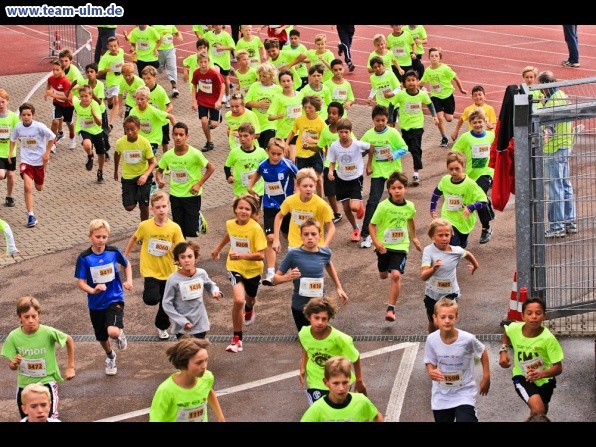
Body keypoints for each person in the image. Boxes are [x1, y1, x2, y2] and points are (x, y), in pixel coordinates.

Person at [1, 295, 75, 420]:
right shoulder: (13, 337)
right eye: (26, 317)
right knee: (28, 418)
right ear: (19, 317)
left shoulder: (47, 332)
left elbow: (68, 340)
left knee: (48, 418)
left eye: (34, 316)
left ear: (38, 315)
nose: (31, 320)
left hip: (47, 382)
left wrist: (70, 367)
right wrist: (14, 363)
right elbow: (12, 366)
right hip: (25, 385)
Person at [124, 190, 185, 340]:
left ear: (168, 207)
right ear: (152, 209)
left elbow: (181, 246)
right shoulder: (145, 226)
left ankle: (162, 326)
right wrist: (124, 256)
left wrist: (182, 261)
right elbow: (134, 238)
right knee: (151, 299)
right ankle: (157, 301)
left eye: (164, 206)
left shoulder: (174, 228)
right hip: (150, 270)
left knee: (167, 302)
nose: (161, 210)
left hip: (169, 270)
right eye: (157, 207)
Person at [75, 219, 133, 376]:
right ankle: (110, 356)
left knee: (113, 331)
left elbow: (126, 264)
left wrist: (128, 280)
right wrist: (93, 290)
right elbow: (81, 282)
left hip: (114, 298)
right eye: (98, 236)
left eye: (104, 237)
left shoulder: (113, 252)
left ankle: (119, 335)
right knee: (102, 337)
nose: (101, 240)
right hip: (96, 304)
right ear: (90, 236)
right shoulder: (84, 257)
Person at [211, 194, 267, 353]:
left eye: (247, 209)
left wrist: (242, 255)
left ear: (253, 211)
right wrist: (218, 248)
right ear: (235, 209)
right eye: (240, 208)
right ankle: (237, 339)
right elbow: (231, 235)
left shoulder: (256, 229)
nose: (243, 211)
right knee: (238, 300)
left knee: (250, 299)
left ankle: (250, 308)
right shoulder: (230, 223)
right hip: (234, 267)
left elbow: (261, 255)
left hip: (253, 270)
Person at [272, 218, 348, 331]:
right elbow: (274, 279)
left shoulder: (325, 253)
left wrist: (339, 287)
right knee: (306, 341)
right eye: (306, 234)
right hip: (300, 306)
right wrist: (287, 277)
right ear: (301, 236)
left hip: (320, 305)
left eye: (313, 234)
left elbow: (328, 264)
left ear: (320, 235)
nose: (310, 237)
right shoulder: (293, 254)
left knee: (320, 338)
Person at [424, 298, 490, 422]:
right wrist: (431, 371)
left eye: (451, 317)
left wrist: (486, 377)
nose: (447, 321)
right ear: (435, 318)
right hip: (441, 395)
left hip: (464, 392)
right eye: (443, 317)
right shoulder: (431, 340)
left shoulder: (467, 339)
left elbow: (482, 351)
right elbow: (429, 361)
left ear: (456, 317)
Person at [499, 296, 564, 420]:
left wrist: (541, 374)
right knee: (538, 410)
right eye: (529, 313)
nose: (534, 316)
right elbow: (506, 333)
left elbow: (558, 368)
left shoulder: (548, 339)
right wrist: (503, 351)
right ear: (523, 316)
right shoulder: (514, 328)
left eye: (538, 313)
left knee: (542, 409)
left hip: (545, 380)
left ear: (544, 316)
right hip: (523, 377)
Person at [369, 171, 421, 322]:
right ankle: (384, 269)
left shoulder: (410, 206)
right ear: (389, 190)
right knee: (383, 274)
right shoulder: (383, 206)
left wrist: (415, 237)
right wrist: (377, 243)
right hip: (383, 246)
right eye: (393, 188)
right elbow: (372, 226)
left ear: (406, 188)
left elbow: (410, 219)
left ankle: (391, 308)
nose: (397, 191)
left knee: (396, 275)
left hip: (401, 245)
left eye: (400, 188)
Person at [247, 137, 298, 286]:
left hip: (287, 206)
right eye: (273, 153)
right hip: (270, 205)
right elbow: (257, 173)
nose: (275, 157)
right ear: (267, 151)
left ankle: (295, 261)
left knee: (288, 235)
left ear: (284, 153)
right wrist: (251, 187)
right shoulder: (263, 165)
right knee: (270, 237)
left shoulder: (288, 165)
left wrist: (298, 189)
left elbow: (300, 176)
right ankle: (270, 272)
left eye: (279, 154)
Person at [299, 297, 367, 405]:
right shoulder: (303, 333)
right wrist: (302, 367)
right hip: (316, 380)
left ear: (329, 319)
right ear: (309, 317)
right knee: (321, 411)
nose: (320, 322)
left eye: (324, 319)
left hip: (338, 380)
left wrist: (359, 380)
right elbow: (306, 348)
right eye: (316, 318)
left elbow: (355, 357)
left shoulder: (340, 338)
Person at [359, 105, 409, 249]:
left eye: (383, 120)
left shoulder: (393, 133)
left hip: (393, 172)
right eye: (377, 120)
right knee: (373, 201)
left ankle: (397, 229)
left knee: (397, 201)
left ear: (387, 119)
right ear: (373, 120)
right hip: (378, 172)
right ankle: (366, 234)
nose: (380, 123)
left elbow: (404, 148)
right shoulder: (368, 135)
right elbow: (362, 149)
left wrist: (393, 155)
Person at [155, 122, 215, 238]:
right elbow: (159, 171)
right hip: (175, 195)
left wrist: (199, 184)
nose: (178, 138)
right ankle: (182, 252)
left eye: (181, 135)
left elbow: (211, 168)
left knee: (191, 231)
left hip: (192, 195)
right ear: (172, 135)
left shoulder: (195, 154)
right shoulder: (168, 155)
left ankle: (199, 219)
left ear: (187, 136)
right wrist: (159, 180)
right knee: (179, 229)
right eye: (176, 134)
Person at [537, 70, 577, 238]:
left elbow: (551, 123)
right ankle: (570, 221)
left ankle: (556, 226)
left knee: (554, 187)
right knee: (565, 184)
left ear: (546, 85)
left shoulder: (553, 100)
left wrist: (546, 133)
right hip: (565, 145)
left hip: (554, 148)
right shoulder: (562, 94)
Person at [421, 218, 479, 333]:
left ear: (451, 235)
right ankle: (432, 343)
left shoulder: (456, 251)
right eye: (440, 235)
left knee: (445, 322)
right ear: (432, 236)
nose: (444, 238)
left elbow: (468, 254)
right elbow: (424, 276)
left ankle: (446, 346)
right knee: (434, 323)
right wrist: (434, 269)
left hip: (451, 293)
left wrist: (475, 265)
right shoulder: (428, 251)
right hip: (432, 294)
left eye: (447, 235)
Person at [149, 337, 225, 422]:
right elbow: (155, 418)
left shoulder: (207, 378)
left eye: (206, 360)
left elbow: (208, 391)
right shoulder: (166, 390)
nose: (204, 366)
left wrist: (220, 416)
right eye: (199, 362)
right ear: (183, 364)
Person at [452, 108, 496, 244]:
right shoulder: (466, 137)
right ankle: (465, 229)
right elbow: (454, 152)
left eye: (480, 122)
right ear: (470, 123)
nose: (478, 125)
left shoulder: (490, 136)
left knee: (480, 194)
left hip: (487, 172)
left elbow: (499, 149)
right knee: (478, 200)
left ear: (485, 122)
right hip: (471, 175)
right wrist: (459, 163)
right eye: (474, 122)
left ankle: (486, 228)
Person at [162, 241, 223, 340]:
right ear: (177, 260)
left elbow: (210, 284)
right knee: (186, 353)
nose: (187, 260)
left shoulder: (201, 273)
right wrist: (182, 321)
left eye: (190, 256)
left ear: (196, 258)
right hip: (183, 326)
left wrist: (215, 291)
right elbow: (166, 303)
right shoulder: (173, 279)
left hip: (200, 323)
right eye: (182, 257)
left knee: (199, 352)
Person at [9, 102, 55, 228]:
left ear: (33, 115)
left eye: (29, 114)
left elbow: (52, 137)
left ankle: (43, 172)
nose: (26, 117)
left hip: (39, 161)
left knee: (39, 188)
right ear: (20, 116)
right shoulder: (18, 127)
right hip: (26, 161)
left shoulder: (39, 127)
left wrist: (47, 153)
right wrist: (10, 154)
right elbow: (12, 139)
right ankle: (30, 215)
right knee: (27, 187)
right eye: (24, 115)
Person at [430, 151, 488, 249]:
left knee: (461, 244)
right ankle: (451, 260)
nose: (454, 172)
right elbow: (436, 193)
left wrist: (470, 208)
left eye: (457, 169)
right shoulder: (445, 180)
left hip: (464, 220)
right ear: (447, 168)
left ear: (463, 167)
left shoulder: (470, 184)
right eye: (451, 169)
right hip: (448, 218)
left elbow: (484, 202)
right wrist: (432, 209)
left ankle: (462, 244)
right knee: (453, 246)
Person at [301, 356, 383, 422]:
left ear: (350, 380)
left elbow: (377, 417)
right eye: (336, 383)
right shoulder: (317, 409)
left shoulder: (361, 401)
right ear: (326, 382)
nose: (341, 388)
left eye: (345, 382)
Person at [326, 118, 370, 242]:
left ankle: (360, 206)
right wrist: (330, 171)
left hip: (355, 178)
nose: (344, 135)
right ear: (337, 132)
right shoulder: (334, 146)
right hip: (341, 179)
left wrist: (368, 163)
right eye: (341, 132)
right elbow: (332, 162)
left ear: (350, 132)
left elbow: (370, 147)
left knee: (354, 208)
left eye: (346, 132)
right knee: (346, 208)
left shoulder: (357, 144)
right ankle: (355, 228)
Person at [272, 167, 335, 253]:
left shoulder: (321, 205)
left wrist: (325, 246)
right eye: (305, 186)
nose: (308, 189)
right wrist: (276, 239)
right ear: (297, 185)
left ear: (315, 185)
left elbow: (331, 228)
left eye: (311, 186)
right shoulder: (290, 201)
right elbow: (279, 216)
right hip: (295, 246)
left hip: (315, 247)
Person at [393, 70, 438, 187]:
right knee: (409, 147)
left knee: (415, 148)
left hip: (418, 126)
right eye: (408, 80)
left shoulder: (422, 94)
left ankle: (416, 172)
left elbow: (430, 104)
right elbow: (391, 105)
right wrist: (390, 118)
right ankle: (399, 168)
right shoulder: (401, 95)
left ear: (418, 82)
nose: (411, 82)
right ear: (404, 83)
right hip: (405, 127)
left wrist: (434, 116)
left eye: (413, 80)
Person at [420, 47, 467, 147]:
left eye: (436, 56)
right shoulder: (428, 71)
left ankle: (448, 119)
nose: (434, 58)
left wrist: (461, 89)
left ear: (439, 58)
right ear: (429, 57)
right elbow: (422, 82)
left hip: (447, 96)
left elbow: (456, 78)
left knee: (449, 118)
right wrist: (412, 86)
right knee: (440, 118)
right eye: (432, 56)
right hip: (435, 97)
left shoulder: (445, 68)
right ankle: (444, 137)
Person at [113, 115, 157, 222]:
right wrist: (115, 171)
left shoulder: (144, 143)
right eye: (127, 129)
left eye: (132, 129)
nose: (130, 132)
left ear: (138, 128)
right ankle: (138, 194)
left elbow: (153, 162)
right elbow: (117, 154)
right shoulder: (120, 143)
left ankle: (144, 228)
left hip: (143, 176)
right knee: (129, 207)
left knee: (144, 207)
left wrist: (145, 175)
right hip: (128, 177)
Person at [284, 95, 326, 196]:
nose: (307, 110)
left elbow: (324, 140)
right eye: (305, 107)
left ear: (316, 108)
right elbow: (293, 131)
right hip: (301, 154)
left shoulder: (321, 123)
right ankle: (301, 199)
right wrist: (286, 144)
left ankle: (320, 200)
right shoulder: (299, 120)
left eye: (310, 108)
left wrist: (313, 140)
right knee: (300, 179)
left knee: (318, 178)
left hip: (316, 153)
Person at [190, 51, 225, 153]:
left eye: (205, 62)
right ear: (198, 62)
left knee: (213, 124)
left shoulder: (214, 73)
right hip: (202, 100)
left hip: (214, 101)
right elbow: (194, 86)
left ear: (209, 62)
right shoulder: (196, 73)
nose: (203, 64)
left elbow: (222, 85)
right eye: (201, 62)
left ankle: (216, 120)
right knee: (204, 121)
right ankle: (209, 142)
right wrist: (194, 101)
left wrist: (219, 100)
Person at [72, 84, 107, 181]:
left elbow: (100, 123)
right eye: (82, 96)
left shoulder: (95, 105)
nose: (84, 99)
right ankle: (90, 155)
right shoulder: (76, 102)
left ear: (91, 96)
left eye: (86, 96)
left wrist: (93, 114)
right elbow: (69, 93)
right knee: (87, 145)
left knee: (101, 153)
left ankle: (100, 171)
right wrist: (75, 87)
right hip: (83, 130)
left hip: (97, 131)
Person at [224, 122, 268, 198]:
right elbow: (227, 167)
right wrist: (229, 176)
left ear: (253, 136)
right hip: (240, 192)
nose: (242, 139)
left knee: (256, 210)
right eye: (240, 136)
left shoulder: (261, 152)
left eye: (245, 136)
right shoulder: (234, 152)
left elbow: (267, 167)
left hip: (257, 191)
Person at [245, 62, 282, 150]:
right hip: (256, 124)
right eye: (260, 75)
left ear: (271, 76)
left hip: (271, 124)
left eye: (264, 76)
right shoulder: (255, 86)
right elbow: (246, 102)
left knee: (268, 148)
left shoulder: (278, 89)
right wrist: (258, 104)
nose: (261, 78)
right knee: (259, 150)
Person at [141, 65, 173, 154]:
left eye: (149, 78)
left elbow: (170, 106)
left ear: (155, 78)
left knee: (164, 142)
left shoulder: (160, 91)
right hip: (150, 122)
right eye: (144, 78)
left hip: (162, 122)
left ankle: (165, 162)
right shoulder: (143, 90)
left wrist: (162, 113)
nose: (146, 81)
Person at [97, 36, 127, 129]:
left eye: (115, 46)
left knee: (116, 101)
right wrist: (107, 70)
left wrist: (132, 55)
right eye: (111, 46)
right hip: (111, 82)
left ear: (118, 45)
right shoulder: (105, 58)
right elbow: (99, 71)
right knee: (110, 100)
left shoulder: (121, 51)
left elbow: (123, 55)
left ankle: (110, 124)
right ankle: (109, 102)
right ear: (107, 47)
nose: (113, 48)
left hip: (120, 81)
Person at [44, 58, 73, 154]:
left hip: (68, 106)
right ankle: (52, 143)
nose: (55, 72)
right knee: (55, 121)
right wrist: (46, 92)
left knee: (69, 122)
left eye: (57, 70)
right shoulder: (51, 78)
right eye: (53, 70)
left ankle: (72, 137)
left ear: (63, 70)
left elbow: (69, 98)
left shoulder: (65, 82)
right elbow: (49, 84)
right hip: (57, 104)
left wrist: (53, 95)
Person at [204, 25, 236, 107]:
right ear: (213, 26)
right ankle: (218, 96)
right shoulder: (208, 35)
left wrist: (222, 47)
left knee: (225, 80)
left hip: (224, 61)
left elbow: (232, 47)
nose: (218, 26)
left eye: (219, 25)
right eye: (216, 25)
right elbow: (202, 41)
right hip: (213, 60)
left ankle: (228, 97)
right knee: (216, 73)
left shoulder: (226, 35)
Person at [366, 56, 401, 127]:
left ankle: (392, 134)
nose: (377, 69)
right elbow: (374, 88)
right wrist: (370, 97)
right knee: (384, 122)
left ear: (383, 65)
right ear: (372, 69)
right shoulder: (372, 78)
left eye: (379, 66)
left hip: (393, 103)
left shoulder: (390, 74)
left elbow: (398, 88)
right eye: (375, 67)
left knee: (392, 123)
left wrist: (392, 93)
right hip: (382, 104)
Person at [0, 88, 20, 207]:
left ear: (7, 101)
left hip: (10, 153)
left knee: (11, 175)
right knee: (1, 175)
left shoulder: (13, 117)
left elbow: (18, 133)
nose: (0, 104)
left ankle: (9, 196)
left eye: (3, 101)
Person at [153, 25, 183, 98]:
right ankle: (152, 86)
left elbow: (176, 32)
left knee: (172, 68)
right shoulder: (155, 27)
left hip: (170, 50)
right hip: (159, 51)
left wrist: (179, 36)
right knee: (159, 69)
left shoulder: (171, 26)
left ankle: (174, 88)